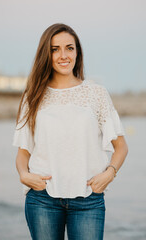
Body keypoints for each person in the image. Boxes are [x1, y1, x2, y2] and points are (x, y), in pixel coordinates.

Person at [12, 23, 128, 240]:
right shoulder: (33, 96)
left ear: (77, 52)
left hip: (88, 200)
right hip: (42, 199)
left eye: (69, 48)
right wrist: (24, 175)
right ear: (46, 54)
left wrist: (109, 174)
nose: (63, 55)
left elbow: (121, 147)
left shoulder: (97, 93)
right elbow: (23, 153)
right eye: (55, 49)